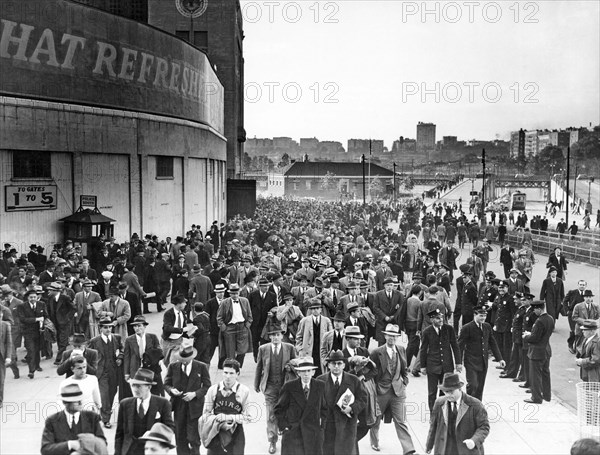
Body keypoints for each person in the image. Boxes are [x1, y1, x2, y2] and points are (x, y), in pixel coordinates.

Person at [369, 324, 417, 455]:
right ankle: (374, 442)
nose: (392, 338)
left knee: (401, 420)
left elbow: (404, 369)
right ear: (385, 336)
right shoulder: (376, 352)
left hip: (398, 391)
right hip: (381, 391)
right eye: (390, 336)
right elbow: (370, 372)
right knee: (376, 419)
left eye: (395, 336)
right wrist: (374, 388)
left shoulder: (401, 349)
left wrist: (404, 381)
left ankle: (409, 449)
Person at [253, 317, 296, 454]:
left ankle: (285, 435)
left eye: (278, 335)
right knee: (271, 414)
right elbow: (259, 367)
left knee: (285, 412)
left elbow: (296, 364)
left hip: (285, 386)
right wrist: (256, 384)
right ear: (269, 337)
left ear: (282, 335)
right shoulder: (263, 349)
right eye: (273, 335)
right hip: (270, 386)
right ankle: (272, 440)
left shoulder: (290, 348)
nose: (276, 338)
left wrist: (290, 366)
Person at [164, 339, 211, 455]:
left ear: (192, 357)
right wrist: (171, 390)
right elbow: (166, 384)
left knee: (193, 438)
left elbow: (207, 386)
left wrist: (195, 394)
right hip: (179, 406)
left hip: (195, 408)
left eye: (185, 360)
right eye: (181, 359)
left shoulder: (201, 367)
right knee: (180, 437)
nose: (183, 362)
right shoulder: (173, 366)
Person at [425, 372, 490, 455]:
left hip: (466, 451)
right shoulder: (439, 403)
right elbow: (433, 426)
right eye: (446, 392)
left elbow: (484, 427)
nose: (448, 395)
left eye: (451, 392)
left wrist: (474, 440)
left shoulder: (475, 404)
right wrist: (429, 445)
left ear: (459, 389)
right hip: (445, 450)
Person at [317, 350, 367, 455]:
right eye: (333, 363)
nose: (336, 366)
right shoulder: (320, 381)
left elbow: (363, 398)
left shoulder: (353, 380)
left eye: (339, 363)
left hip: (347, 425)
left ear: (344, 365)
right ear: (328, 365)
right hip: (327, 426)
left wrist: (352, 408)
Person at [115, 368, 175, 455]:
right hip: (129, 450)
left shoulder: (163, 403)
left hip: (150, 450)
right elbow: (119, 434)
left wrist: (155, 433)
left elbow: (170, 428)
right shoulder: (125, 404)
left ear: (149, 387)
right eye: (133, 385)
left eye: (139, 386)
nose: (135, 389)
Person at [274, 357, 327, 455]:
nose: (306, 374)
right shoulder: (289, 386)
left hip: (314, 433)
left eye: (308, 371)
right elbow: (279, 409)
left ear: (313, 372)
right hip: (293, 433)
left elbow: (325, 409)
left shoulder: (320, 386)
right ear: (298, 373)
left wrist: (322, 426)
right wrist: (284, 427)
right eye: (303, 371)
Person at [200, 358, 250, 455]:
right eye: (225, 372)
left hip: (236, 434)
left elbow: (248, 417)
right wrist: (218, 421)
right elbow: (206, 414)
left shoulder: (244, 391)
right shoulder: (213, 390)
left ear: (237, 374)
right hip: (216, 433)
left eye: (231, 373)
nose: (228, 376)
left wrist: (229, 417)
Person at [41, 383, 107, 455]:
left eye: (80, 399)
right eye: (76, 401)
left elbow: (102, 442)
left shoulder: (92, 417)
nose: (80, 403)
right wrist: (70, 444)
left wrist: (82, 449)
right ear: (65, 403)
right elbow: (46, 449)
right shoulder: (52, 421)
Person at [457, 305, 505, 401]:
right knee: (473, 385)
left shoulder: (487, 327)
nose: (483, 318)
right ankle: (468, 404)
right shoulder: (467, 328)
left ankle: (478, 408)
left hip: (483, 362)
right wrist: (458, 363)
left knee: (480, 387)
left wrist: (500, 359)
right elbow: (460, 346)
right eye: (481, 315)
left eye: (484, 316)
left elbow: (493, 343)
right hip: (471, 361)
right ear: (475, 315)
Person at [420, 308, 462, 411]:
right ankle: (433, 414)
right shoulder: (427, 332)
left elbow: (455, 346)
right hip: (433, 366)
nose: (441, 320)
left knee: (446, 391)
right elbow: (423, 350)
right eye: (438, 318)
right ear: (432, 320)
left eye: (442, 318)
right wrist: (423, 366)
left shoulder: (449, 329)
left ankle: (444, 412)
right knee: (432, 392)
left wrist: (458, 362)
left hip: (447, 366)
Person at [88, 317, 124, 427]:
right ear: (100, 329)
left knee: (112, 393)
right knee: (104, 395)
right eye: (105, 327)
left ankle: (105, 411)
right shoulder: (94, 341)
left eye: (110, 327)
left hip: (114, 371)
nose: (108, 329)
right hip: (101, 372)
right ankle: (106, 418)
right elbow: (88, 354)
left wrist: (120, 357)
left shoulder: (116, 338)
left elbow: (123, 349)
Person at [522, 300, 555, 404]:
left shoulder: (540, 320)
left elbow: (535, 338)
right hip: (546, 350)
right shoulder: (550, 318)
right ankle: (547, 395)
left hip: (537, 351)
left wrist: (526, 336)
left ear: (539, 309)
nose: (534, 311)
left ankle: (536, 397)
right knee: (545, 373)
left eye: (535, 309)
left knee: (535, 375)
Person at [124, 315, 164, 398]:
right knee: (139, 394)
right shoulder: (129, 340)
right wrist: (126, 373)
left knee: (154, 392)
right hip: (136, 369)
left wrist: (158, 360)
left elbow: (159, 350)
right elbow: (127, 357)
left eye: (139, 326)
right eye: (135, 326)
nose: (137, 328)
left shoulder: (152, 337)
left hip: (151, 369)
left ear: (144, 326)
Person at [217, 283, 253, 367]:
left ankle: (237, 365)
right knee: (230, 351)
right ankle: (232, 368)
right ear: (229, 294)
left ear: (239, 293)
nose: (235, 295)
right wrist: (224, 328)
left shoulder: (245, 301)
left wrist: (247, 324)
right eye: (233, 293)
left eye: (236, 293)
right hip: (229, 328)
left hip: (242, 327)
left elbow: (249, 315)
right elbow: (219, 317)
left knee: (243, 350)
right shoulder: (224, 302)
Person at [296, 299, 332, 375]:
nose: (315, 310)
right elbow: (299, 336)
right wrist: (300, 349)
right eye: (313, 309)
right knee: (309, 370)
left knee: (322, 371)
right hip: (308, 351)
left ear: (321, 309)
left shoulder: (326, 321)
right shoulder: (304, 321)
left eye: (317, 308)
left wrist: (329, 350)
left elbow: (331, 337)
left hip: (321, 350)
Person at [17, 289, 47, 379]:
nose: (33, 299)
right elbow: (22, 319)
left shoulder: (41, 304)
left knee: (37, 349)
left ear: (37, 297)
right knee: (31, 350)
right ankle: (31, 370)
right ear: (27, 298)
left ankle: (37, 365)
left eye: (35, 297)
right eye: (31, 297)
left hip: (39, 332)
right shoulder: (22, 306)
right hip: (28, 332)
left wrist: (44, 321)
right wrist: (36, 319)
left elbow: (46, 315)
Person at [373, 277, 406, 346]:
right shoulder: (378, 294)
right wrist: (384, 316)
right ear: (384, 286)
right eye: (387, 285)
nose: (389, 287)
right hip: (382, 321)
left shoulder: (399, 294)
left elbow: (401, 307)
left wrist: (394, 316)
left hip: (393, 321)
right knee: (381, 342)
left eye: (391, 285)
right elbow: (375, 307)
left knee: (392, 341)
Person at [161, 294, 190, 367]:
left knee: (172, 363)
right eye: (184, 302)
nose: (186, 304)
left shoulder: (183, 313)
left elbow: (185, 324)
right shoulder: (168, 314)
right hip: (167, 341)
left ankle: (171, 376)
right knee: (166, 362)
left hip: (178, 341)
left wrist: (189, 332)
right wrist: (181, 330)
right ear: (179, 304)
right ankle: (170, 375)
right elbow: (166, 328)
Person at [564, 280, 588, 354]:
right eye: (580, 284)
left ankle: (578, 347)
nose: (582, 286)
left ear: (585, 286)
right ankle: (570, 344)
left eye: (583, 285)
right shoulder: (572, 292)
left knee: (581, 331)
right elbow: (565, 301)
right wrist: (567, 310)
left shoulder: (587, 294)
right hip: (572, 314)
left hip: (583, 316)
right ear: (578, 285)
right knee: (574, 330)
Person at [0, 319, 13, 408]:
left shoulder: (5, 325)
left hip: (1, 356)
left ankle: (0, 400)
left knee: (0, 379)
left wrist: (8, 356)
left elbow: (9, 342)